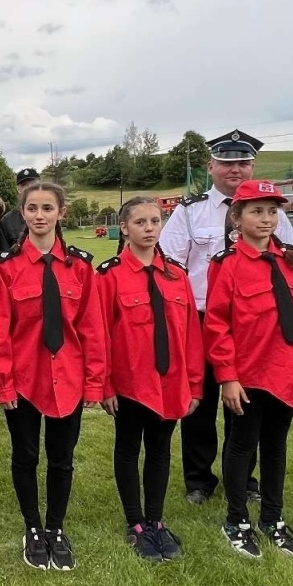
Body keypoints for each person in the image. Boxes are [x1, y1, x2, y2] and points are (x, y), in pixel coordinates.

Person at [157, 130, 293, 506]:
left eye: (242, 162)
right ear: (211, 167)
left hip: (255, 325)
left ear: (252, 166)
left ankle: (246, 477)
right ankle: (199, 480)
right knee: (200, 403)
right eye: (226, 162)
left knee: (248, 402)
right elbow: (170, 265)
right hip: (202, 318)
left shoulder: (272, 211)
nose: (235, 169)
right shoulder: (191, 210)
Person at [205, 180, 293, 561]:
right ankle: (237, 519)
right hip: (247, 375)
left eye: (272, 211)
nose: (266, 219)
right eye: (256, 211)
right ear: (237, 218)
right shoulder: (225, 265)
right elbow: (217, 324)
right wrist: (227, 375)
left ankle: (273, 517)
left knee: (276, 446)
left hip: (288, 370)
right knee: (242, 445)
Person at [0, 179, 106, 571]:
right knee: (25, 457)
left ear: (61, 213)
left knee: (62, 459)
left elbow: (92, 328)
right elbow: (0, 332)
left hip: (68, 379)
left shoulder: (81, 267)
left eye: (47, 208)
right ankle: (33, 528)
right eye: (33, 209)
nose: (40, 216)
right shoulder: (6, 268)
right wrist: (3, 383)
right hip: (24, 380)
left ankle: (55, 527)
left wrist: (94, 382)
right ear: (22, 214)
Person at [97, 196, 204, 562]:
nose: (148, 228)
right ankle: (135, 523)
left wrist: (194, 382)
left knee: (160, 449)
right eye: (139, 222)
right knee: (128, 449)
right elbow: (100, 335)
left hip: (171, 381)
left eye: (154, 221)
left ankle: (156, 520)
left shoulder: (177, 275)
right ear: (124, 227)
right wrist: (105, 385)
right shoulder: (109, 276)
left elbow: (190, 334)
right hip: (130, 383)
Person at [0, 168, 40, 251]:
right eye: (24, 185)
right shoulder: (7, 220)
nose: (29, 187)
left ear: (40, 186)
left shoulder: (49, 214)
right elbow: (4, 252)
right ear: (18, 189)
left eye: (33, 184)